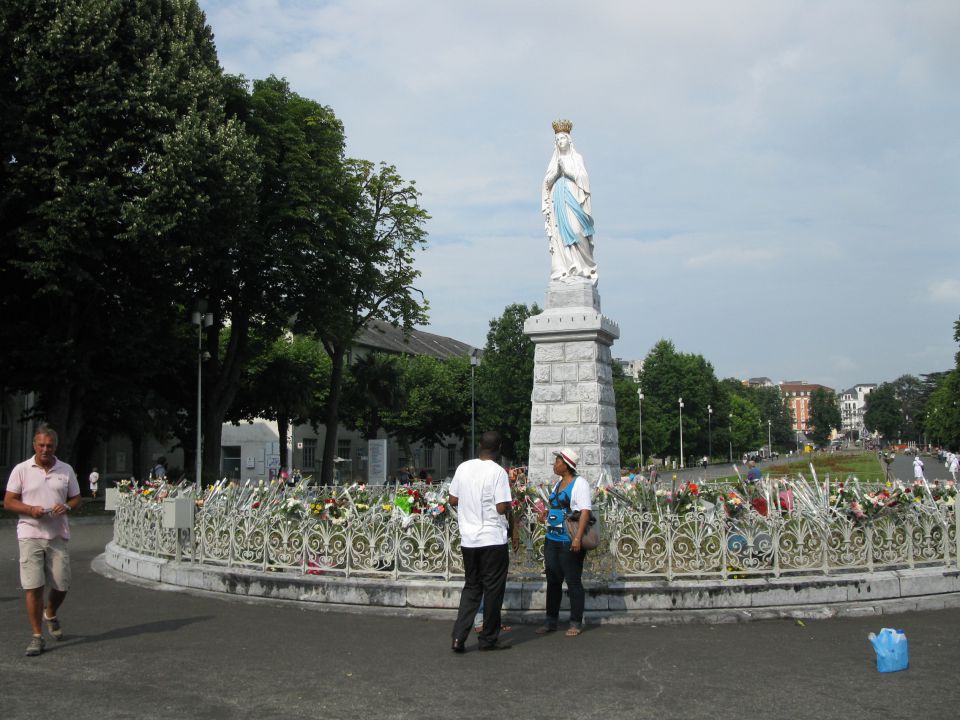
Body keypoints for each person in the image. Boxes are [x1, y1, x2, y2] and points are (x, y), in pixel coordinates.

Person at [3, 426, 81, 656]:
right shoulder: (22, 469)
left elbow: (76, 498)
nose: (45, 449)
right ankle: (37, 636)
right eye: (41, 445)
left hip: (57, 535)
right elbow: (8, 501)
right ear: (34, 446)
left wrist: (66, 505)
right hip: (29, 533)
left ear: (55, 447)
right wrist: (29, 509)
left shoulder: (65, 470)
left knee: (61, 584)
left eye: (49, 445)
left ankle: (51, 612)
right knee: (33, 586)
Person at [448, 431, 518, 653]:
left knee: (472, 587)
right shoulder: (498, 472)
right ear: (498, 448)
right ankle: (488, 639)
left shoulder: (463, 467)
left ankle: (459, 637)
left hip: (469, 539)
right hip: (492, 538)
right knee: (493, 589)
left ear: (480, 445)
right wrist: (510, 507)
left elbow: (453, 499)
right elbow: (500, 507)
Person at [537, 448, 592, 637]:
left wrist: (577, 538)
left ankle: (576, 622)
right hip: (552, 538)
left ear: (566, 465)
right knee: (553, 580)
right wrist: (545, 515)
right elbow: (556, 507)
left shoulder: (579, 484)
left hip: (568, 540)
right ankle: (550, 620)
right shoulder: (558, 484)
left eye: (557, 461)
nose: (554, 464)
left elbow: (585, 511)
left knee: (573, 581)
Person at [542, 119, 598, 284]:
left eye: (563, 138)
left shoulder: (577, 158)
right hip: (559, 199)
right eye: (557, 139)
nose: (560, 141)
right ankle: (567, 269)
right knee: (561, 235)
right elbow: (546, 184)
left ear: (569, 139)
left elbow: (584, 179)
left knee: (577, 231)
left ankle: (585, 268)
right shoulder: (554, 162)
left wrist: (568, 171)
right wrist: (557, 172)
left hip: (574, 196)